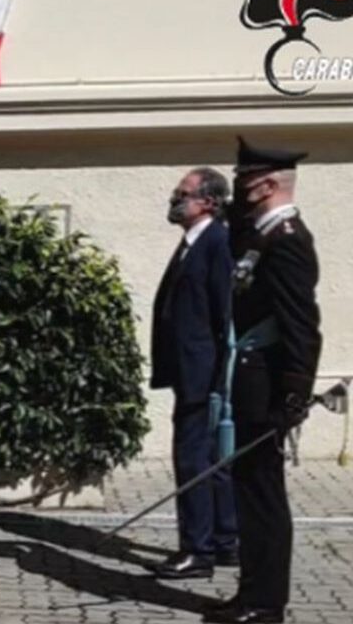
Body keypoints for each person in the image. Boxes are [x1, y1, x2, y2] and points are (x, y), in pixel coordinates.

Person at [204, 138, 322, 624]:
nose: (239, 188)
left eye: (246, 181)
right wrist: (234, 213)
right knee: (249, 491)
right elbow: (239, 251)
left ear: (269, 184)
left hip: (268, 384)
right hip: (250, 379)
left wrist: (294, 394)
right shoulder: (261, 235)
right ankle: (250, 592)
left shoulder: (288, 239)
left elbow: (302, 325)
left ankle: (266, 603)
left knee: (264, 496)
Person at [148, 168, 238, 580]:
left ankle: (197, 550)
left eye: (182, 194)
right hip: (191, 371)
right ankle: (223, 540)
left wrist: (219, 378)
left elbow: (224, 313)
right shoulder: (194, 243)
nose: (174, 199)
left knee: (193, 460)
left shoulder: (216, 243)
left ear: (209, 201)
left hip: (204, 375)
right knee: (209, 459)